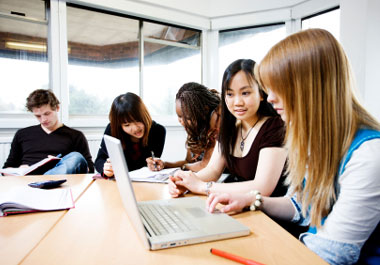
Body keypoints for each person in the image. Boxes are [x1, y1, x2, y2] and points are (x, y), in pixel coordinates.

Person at [206, 29, 380, 265]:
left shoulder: (369, 156)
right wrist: (252, 200)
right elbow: (301, 206)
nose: (270, 98)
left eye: (278, 88)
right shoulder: (317, 142)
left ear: (310, 88)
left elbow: (331, 254)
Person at [168, 59, 287, 199]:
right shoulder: (229, 127)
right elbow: (213, 170)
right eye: (230, 94)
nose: (237, 102)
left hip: (268, 215)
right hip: (237, 206)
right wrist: (185, 182)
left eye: (245, 93)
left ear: (261, 93)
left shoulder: (275, 127)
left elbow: (262, 187)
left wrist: (202, 186)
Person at [2, 89, 93, 175]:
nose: (43, 119)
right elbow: (6, 168)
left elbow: (90, 169)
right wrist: (20, 169)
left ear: (57, 108)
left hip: (59, 180)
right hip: (29, 179)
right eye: (38, 116)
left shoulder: (76, 136)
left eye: (47, 114)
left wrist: (62, 162)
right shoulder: (22, 134)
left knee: (76, 157)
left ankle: (48, 178)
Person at [146, 82, 221, 172]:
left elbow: (204, 165)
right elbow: (188, 161)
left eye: (187, 118)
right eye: (179, 116)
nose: (181, 122)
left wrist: (185, 167)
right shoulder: (195, 129)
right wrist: (164, 164)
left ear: (204, 111)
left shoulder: (216, 127)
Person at [95, 92, 166, 177]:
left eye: (137, 120)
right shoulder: (112, 130)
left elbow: (150, 164)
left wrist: (155, 164)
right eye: (127, 125)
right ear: (119, 125)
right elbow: (100, 160)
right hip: (120, 181)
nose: (135, 128)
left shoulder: (158, 131)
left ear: (144, 115)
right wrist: (106, 168)